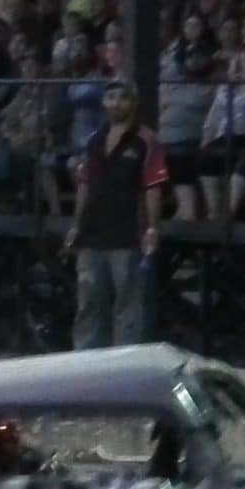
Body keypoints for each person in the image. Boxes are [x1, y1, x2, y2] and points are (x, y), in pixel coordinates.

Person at [62, 82, 165, 350]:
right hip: (92, 233)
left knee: (128, 307)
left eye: (122, 98)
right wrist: (76, 225)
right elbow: (85, 184)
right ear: (104, 102)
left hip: (127, 234)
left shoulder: (146, 140)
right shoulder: (95, 139)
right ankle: (85, 361)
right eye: (111, 97)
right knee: (88, 305)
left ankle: (126, 362)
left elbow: (153, 186)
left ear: (133, 103)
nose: (116, 103)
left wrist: (152, 228)